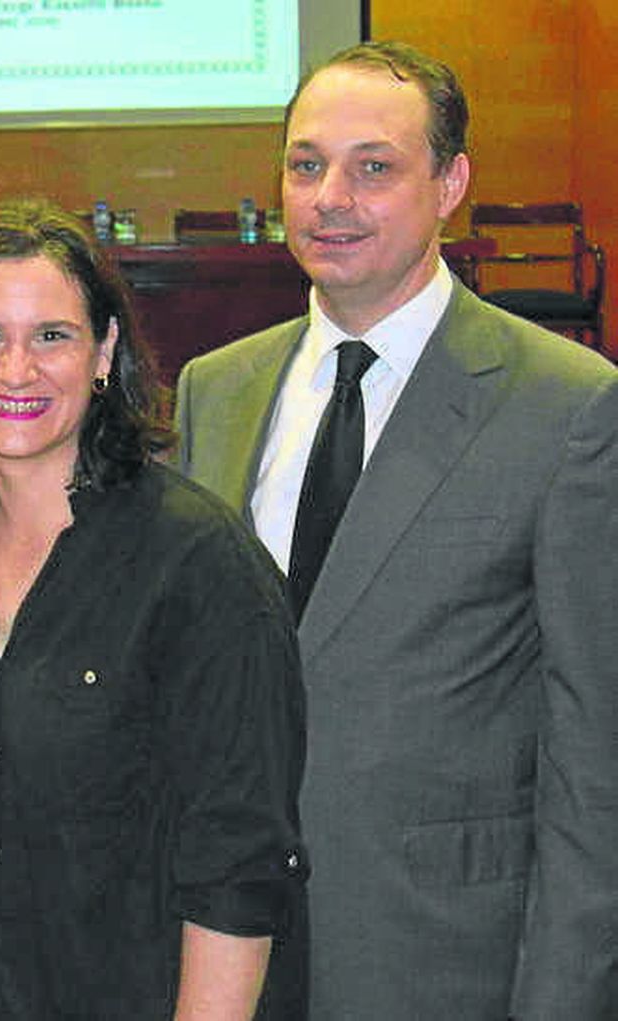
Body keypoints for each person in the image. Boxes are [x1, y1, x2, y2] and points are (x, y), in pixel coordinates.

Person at [175, 41, 618, 1020]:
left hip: (441, 955)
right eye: (304, 164)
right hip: (223, 948)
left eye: (372, 166)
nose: (329, 196)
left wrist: (566, 997)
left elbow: (596, 760)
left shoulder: (568, 406)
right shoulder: (216, 389)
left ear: (449, 181)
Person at [0, 197, 307, 1019]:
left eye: (52, 336)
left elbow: (240, 862)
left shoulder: (198, 564)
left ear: (105, 350)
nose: (16, 370)